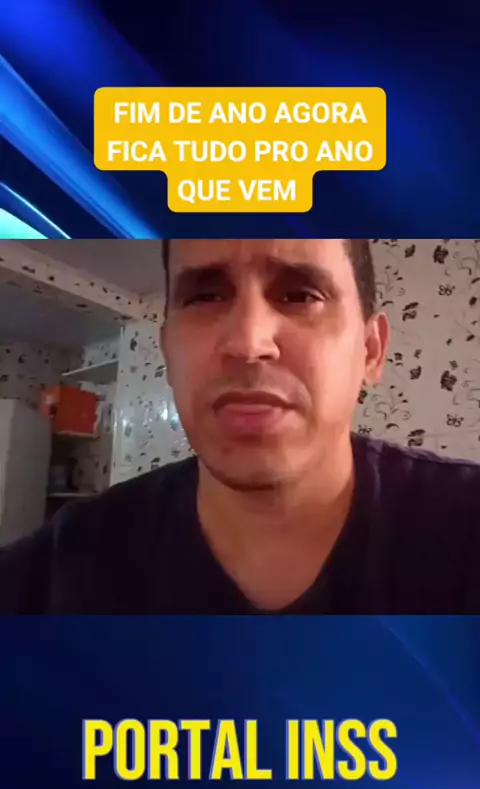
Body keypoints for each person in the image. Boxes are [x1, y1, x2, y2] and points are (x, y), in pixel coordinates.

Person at [1, 238, 479, 614]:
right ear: (168, 350)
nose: (248, 342)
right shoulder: (61, 568)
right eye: (205, 296)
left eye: (300, 294)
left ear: (371, 351)